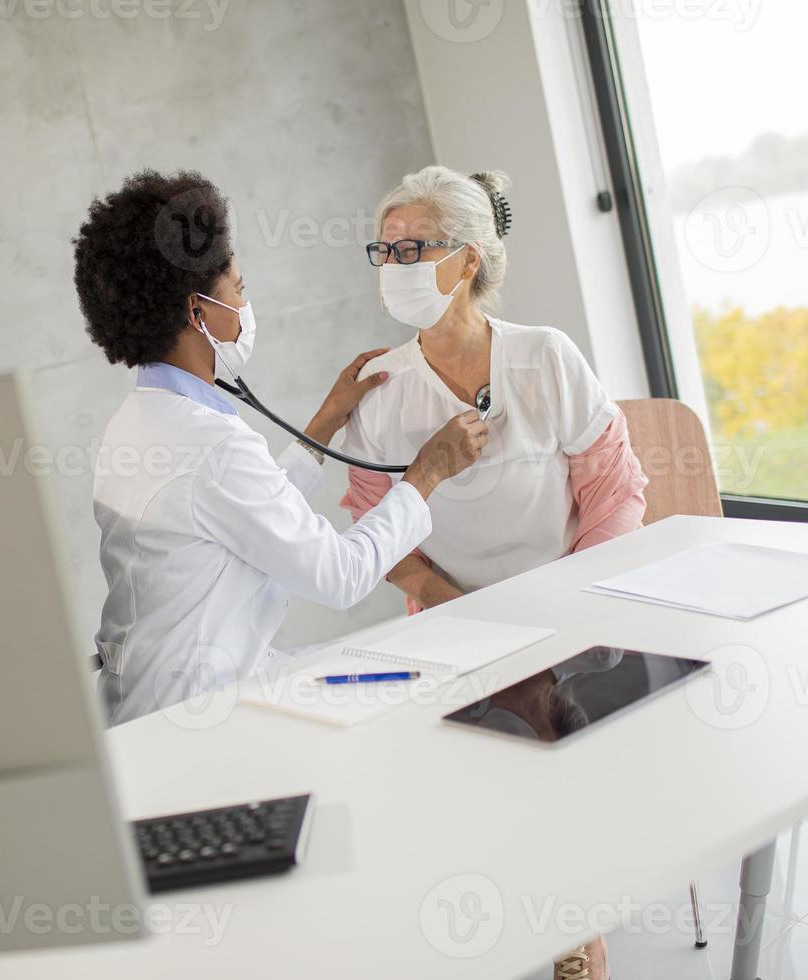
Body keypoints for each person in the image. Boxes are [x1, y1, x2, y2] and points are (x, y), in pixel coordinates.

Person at [338, 165, 649, 980]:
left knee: (559, 740)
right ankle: (554, 924)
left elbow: (616, 491)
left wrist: (564, 611)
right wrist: (462, 611)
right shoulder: (382, 391)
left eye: (416, 248)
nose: (394, 265)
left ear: (468, 260)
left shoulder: (545, 358)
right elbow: (375, 536)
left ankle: (574, 930)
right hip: (450, 628)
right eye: (385, 249)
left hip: (574, 618)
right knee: (485, 777)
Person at [73, 169, 487, 727]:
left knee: (388, 672)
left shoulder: (139, 422)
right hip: (196, 713)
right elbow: (339, 574)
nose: (246, 304)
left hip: (153, 697)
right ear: (199, 312)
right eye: (238, 290)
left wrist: (322, 428)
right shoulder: (210, 445)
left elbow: (243, 517)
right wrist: (429, 473)